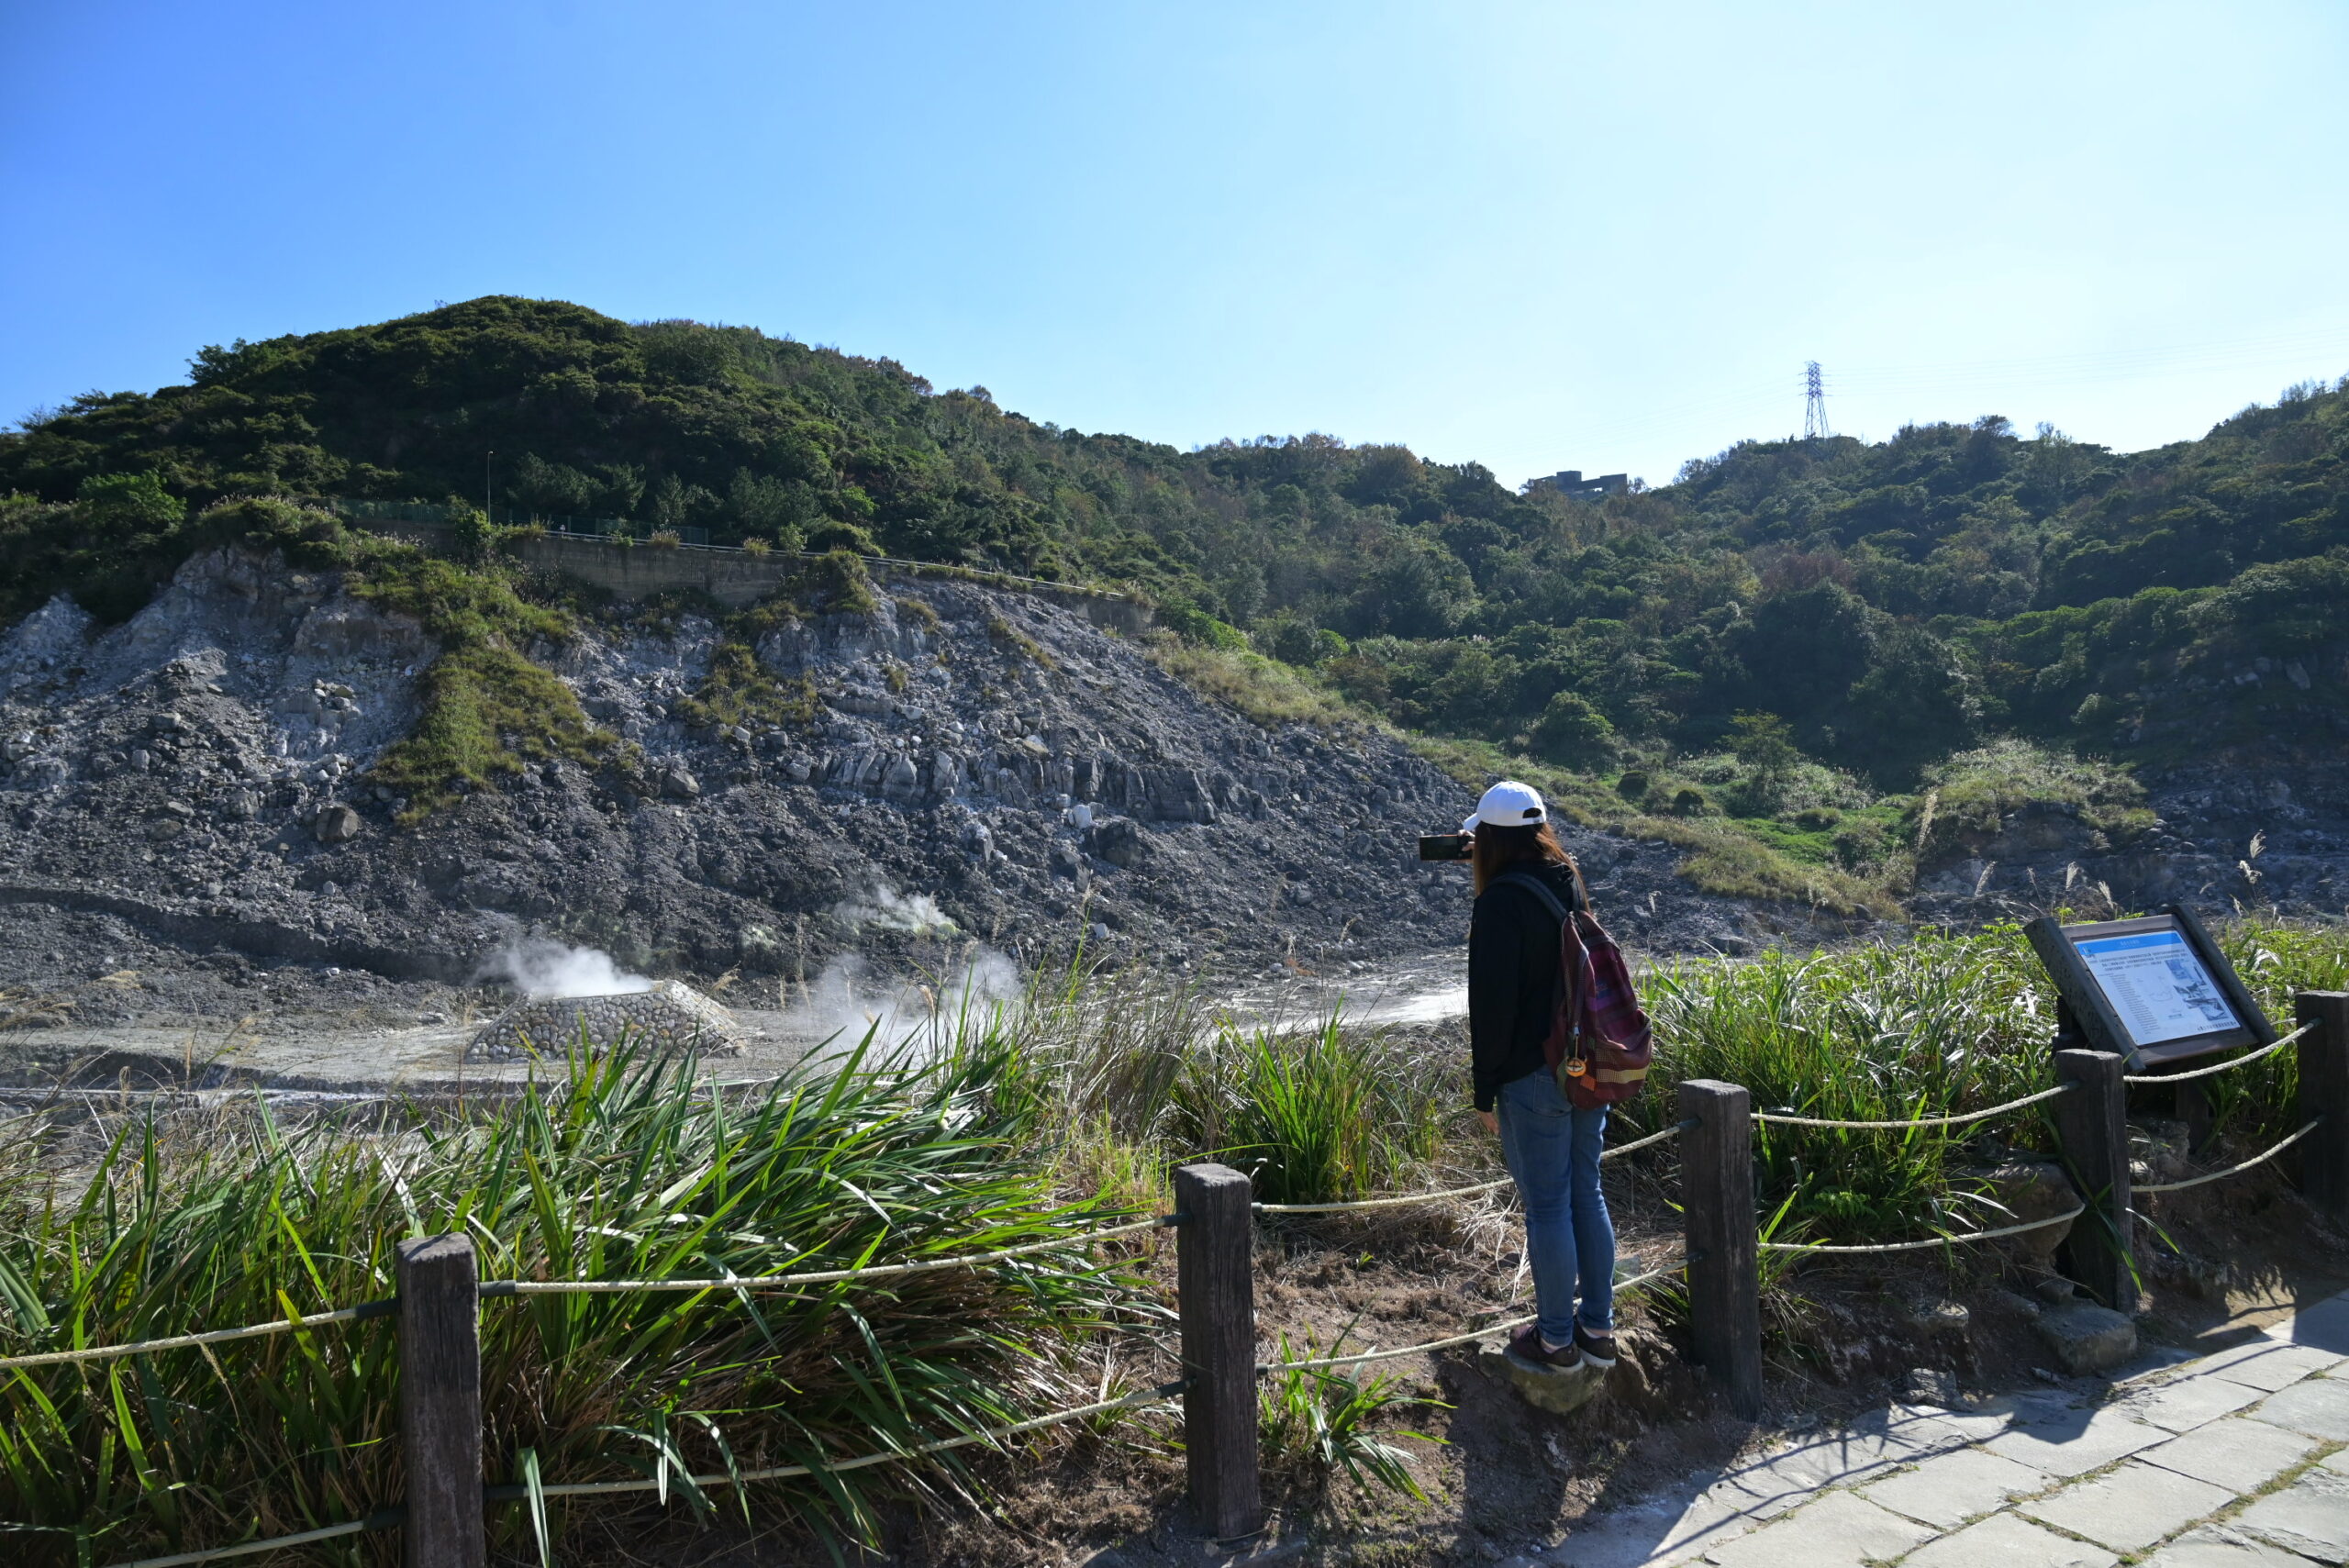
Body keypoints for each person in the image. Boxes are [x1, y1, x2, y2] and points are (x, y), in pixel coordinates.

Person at [1464, 779, 1618, 1373]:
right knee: (1587, 1191)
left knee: (1548, 1205)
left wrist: (1484, 1090)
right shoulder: (1567, 878)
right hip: (1585, 1063)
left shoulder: (1499, 901)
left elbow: (1492, 1008)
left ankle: (1555, 1341)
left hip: (1532, 1075)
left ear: (1490, 840)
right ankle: (1597, 1330)